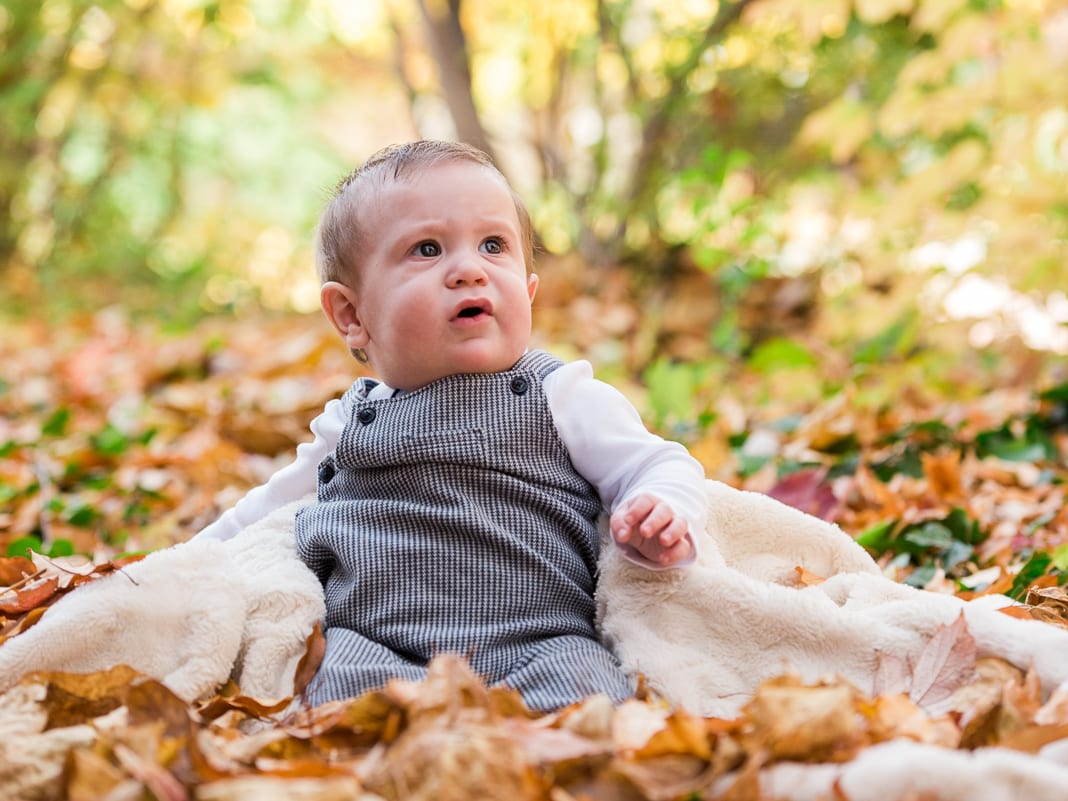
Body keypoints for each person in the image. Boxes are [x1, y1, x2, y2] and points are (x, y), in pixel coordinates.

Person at [194, 140, 707, 711]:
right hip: (373, 646)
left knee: (593, 715)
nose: (469, 270)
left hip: (541, 643)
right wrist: (181, 567)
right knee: (334, 713)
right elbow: (259, 520)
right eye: (427, 249)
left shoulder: (559, 395)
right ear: (352, 314)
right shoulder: (350, 423)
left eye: (494, 246)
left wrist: (659, 509)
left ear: (529, 292)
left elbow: (655, 462)